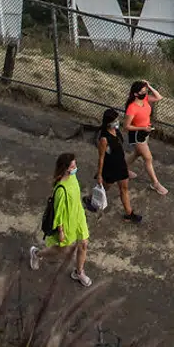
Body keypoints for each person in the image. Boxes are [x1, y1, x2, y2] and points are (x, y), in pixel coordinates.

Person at [28, 152, 92, 287]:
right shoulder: (60, 189)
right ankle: (37, 253)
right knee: (63, 250)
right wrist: (61, 231)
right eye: (73, 166)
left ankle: (79, 272)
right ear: (66, 168)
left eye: (75, 165)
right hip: (67, 222)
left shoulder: (73, 178)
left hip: (78, 216)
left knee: (84, 243)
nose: (75, 168)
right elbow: (59, 213)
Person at [96, 108, 143, 223]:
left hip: (120, 165)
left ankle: (129, 213)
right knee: (105, 188)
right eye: (115, 120)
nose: (117, 122)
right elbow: (101, 158)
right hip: (110, 167)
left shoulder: (116, 131)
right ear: (108, 122)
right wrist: (99, 174)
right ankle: (92, 199)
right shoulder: (104, 139)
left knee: (124, 188)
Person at [123, 79, 168, 196]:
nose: (145, 93)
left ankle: (123, 169)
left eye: (146, 91)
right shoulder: (132, 108)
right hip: (138, 135)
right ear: (135, 94)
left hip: (144, 132)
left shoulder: (146, 99)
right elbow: (126, 126)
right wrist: (142, 128)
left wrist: (149, 85)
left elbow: (159, 97)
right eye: (143, 91)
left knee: (137, 154)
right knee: (148, 158)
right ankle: (155, 183)